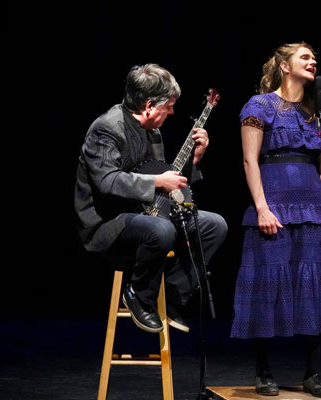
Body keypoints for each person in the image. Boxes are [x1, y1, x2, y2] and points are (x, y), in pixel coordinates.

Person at [230, 43, 321, 397]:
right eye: (305, 57)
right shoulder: (260, 106)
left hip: (313, 209)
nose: (313, 61)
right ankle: (263, 370)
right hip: (273, 206)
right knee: (266, 284)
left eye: (315, 58)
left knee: (314, 288)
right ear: (284, 66)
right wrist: (262, 208)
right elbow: (249, 160)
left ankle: (312, 374)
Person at [75, 63, 227, 334]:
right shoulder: (106, 128)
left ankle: (171, 297)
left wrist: (195, 160)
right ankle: (139, 295)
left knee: (214, 225)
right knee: (161, 229)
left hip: (146, 214)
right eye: (168, 106)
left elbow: (159, 179)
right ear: (148, 105)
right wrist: (159, 181)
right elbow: (107, 182)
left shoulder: (152, 132)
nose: (171, 111)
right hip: (108, 224)